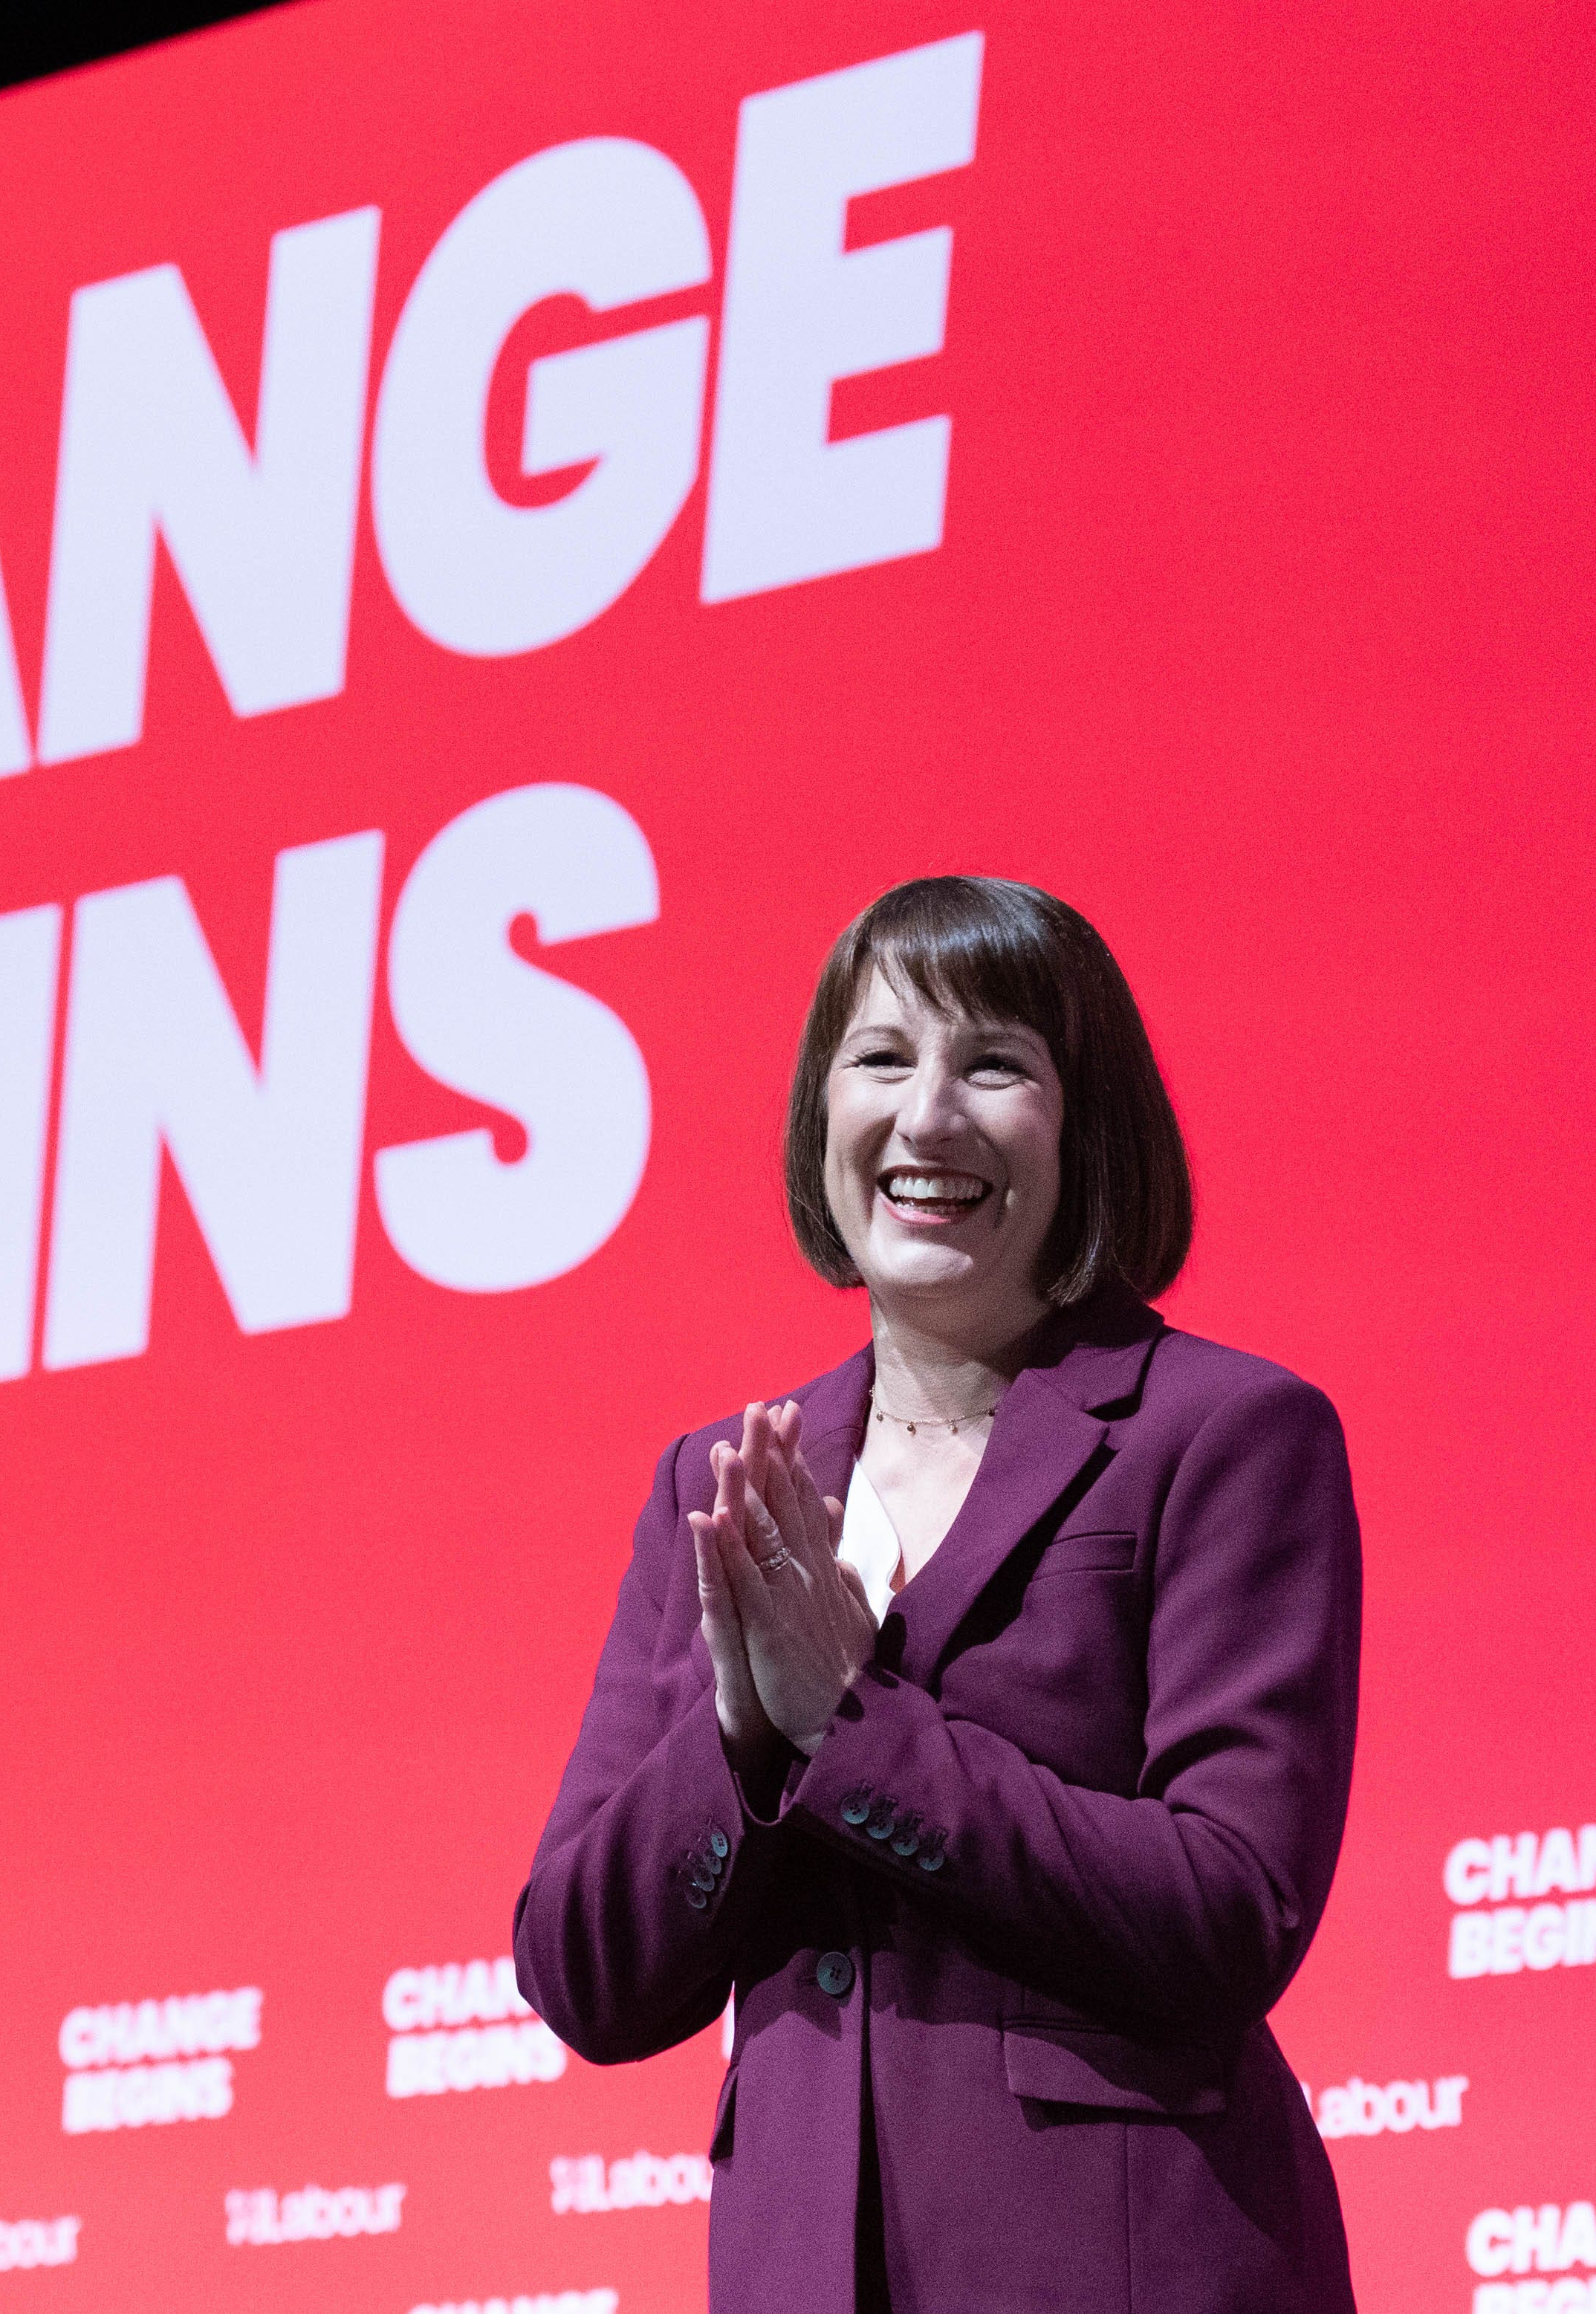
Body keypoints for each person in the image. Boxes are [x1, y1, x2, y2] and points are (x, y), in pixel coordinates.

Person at [514, 876, 1363, 2313]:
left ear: (1083, 1127)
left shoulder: (1224, 1432)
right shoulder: (720, 1485)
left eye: (994, 1065)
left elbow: (1230, 1907)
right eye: (883, 1058)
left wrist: (849, 1724)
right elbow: (583, 1967)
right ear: (818, 1116)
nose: (927, 1118)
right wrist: (740, 1738)